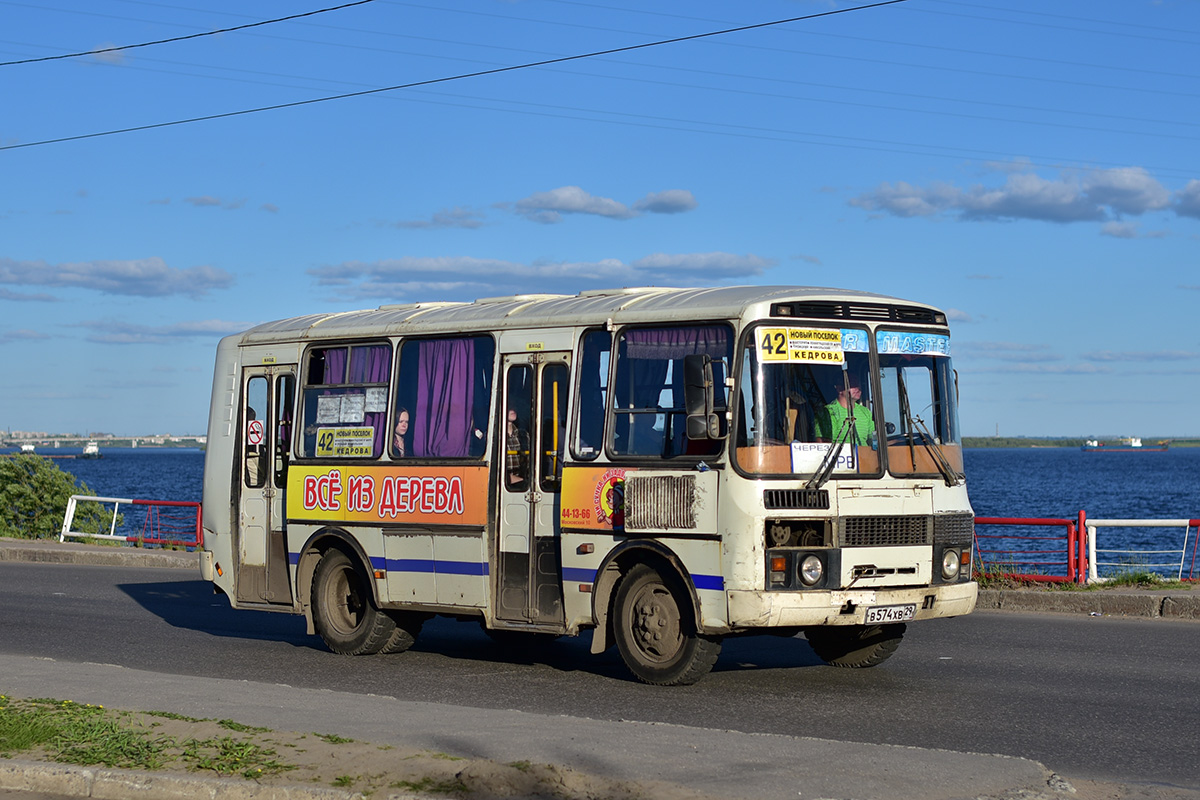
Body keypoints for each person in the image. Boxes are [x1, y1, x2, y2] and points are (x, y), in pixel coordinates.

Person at [814, 375, 875, 445]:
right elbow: (823, 445)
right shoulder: (829, 412)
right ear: (839, 389)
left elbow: (874, 440)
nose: (858, 388)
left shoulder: (865, 412)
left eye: (858, 384)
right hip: (840, 455)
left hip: (865, 455)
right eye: (853, 384)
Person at [505, 408, 529, 488]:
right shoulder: (494, 436)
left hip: (524, 483)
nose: (513, 409)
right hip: (504, 484)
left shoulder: (523, 434)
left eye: (514, 406)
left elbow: (530, 461)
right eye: (509, 406)